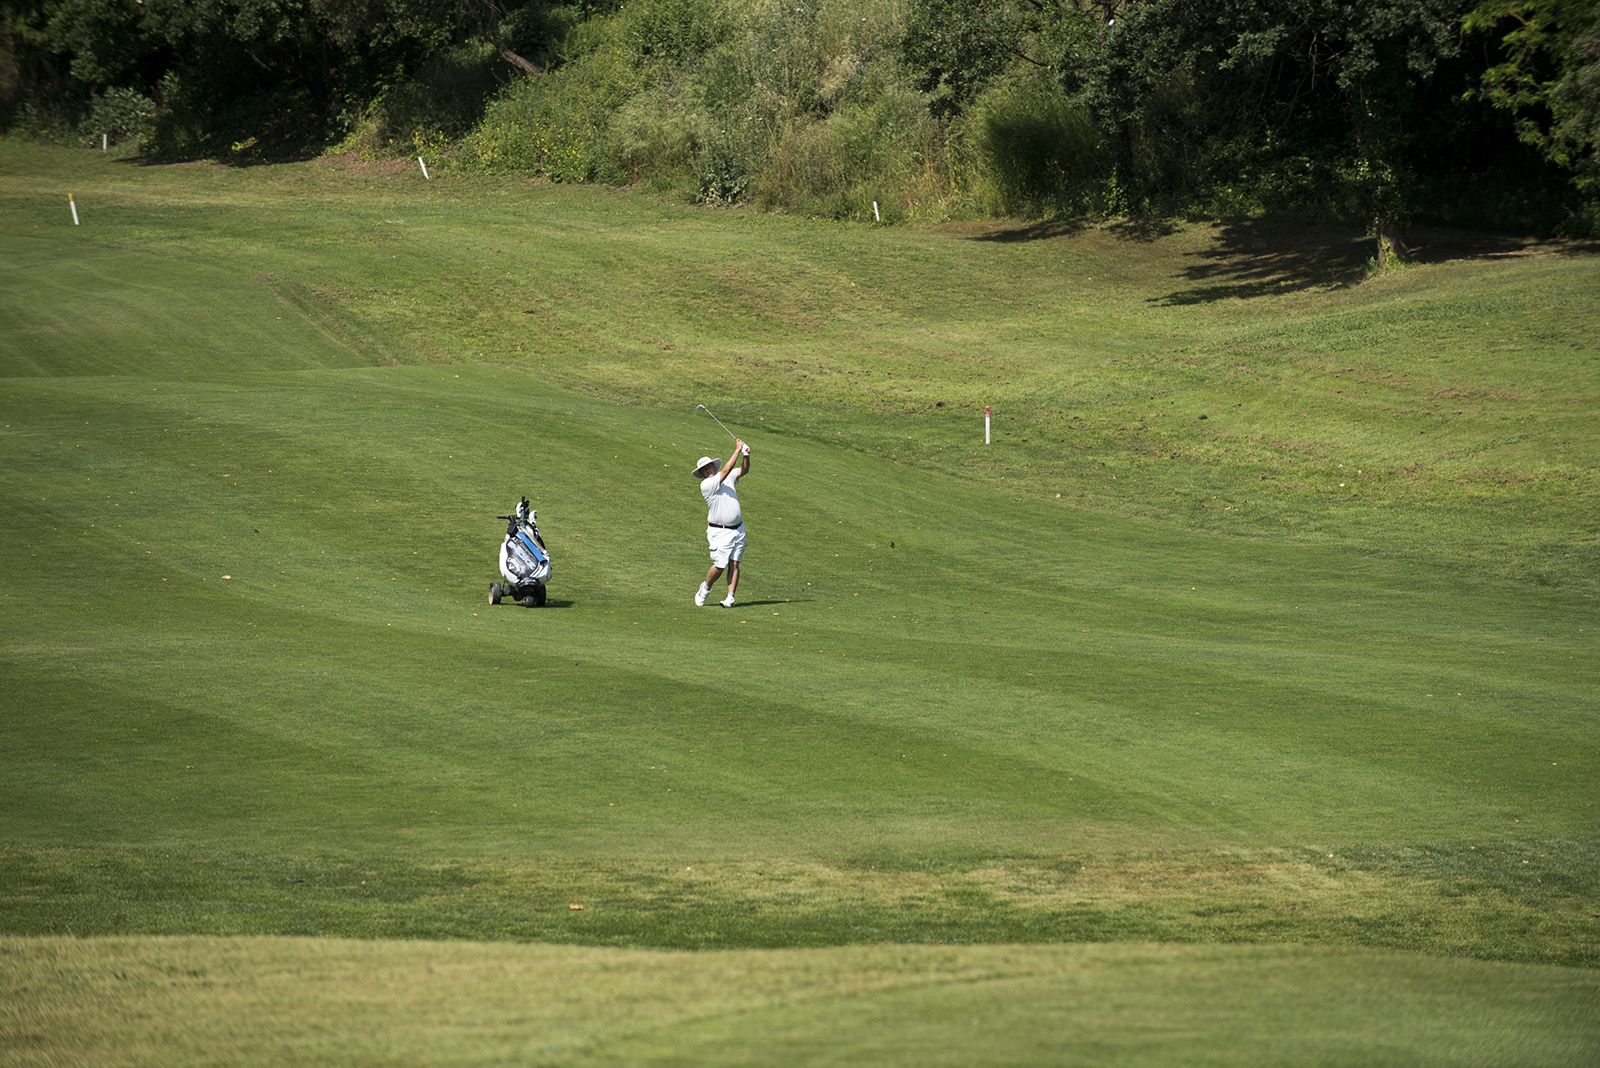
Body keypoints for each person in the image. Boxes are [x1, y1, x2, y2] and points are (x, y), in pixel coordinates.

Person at [692, 439, 749, 607]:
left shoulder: (728, 476)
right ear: (702, 473)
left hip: (738, 529)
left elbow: (744, 470)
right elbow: (725, 470)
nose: (707, 470)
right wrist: (737, 450)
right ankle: (706, 588)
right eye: (704, 469)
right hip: (719, 532)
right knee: (720, 565)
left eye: (709, 466)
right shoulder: (707, 484)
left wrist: (746, 455)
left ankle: (730, 597)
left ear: (713, 466)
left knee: (734, 563)